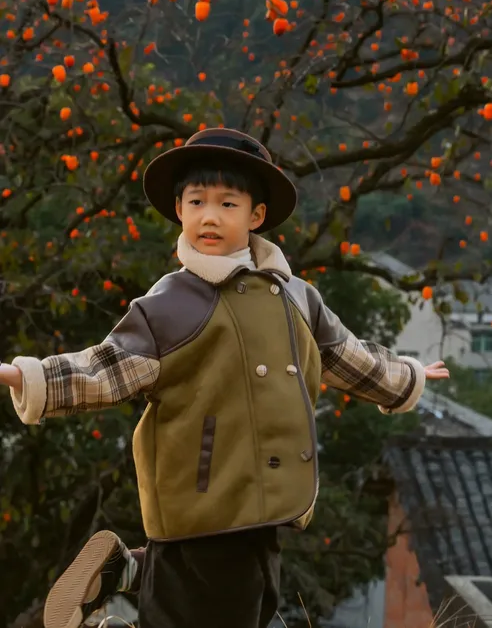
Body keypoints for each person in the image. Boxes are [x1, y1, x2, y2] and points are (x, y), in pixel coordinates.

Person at [0, 127, 449, 628]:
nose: (209, 215)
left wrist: (406, 375)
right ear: (180, 211)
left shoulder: (298, 298)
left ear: (256, 216)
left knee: (243, 605)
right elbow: (107, 368)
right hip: (204, 498)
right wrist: (26, 376)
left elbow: (344, 356)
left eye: (227, 204)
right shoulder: (170, 304)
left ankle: (127, 571)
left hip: (268, 504)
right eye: (197, 202)